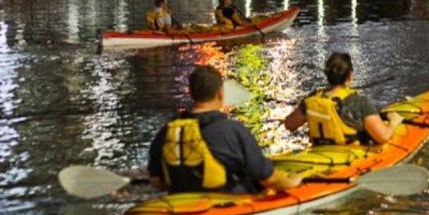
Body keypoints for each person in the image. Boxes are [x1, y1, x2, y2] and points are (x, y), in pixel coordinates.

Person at [148, 65, 302, 194]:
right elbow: (268, 178)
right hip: (227, 203)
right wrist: (295, 180)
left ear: (191, 94)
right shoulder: (232, 130)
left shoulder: (167, 131)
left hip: (179, 202)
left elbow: (156, 181)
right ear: (220, 93)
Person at [282, 52, 403, 145]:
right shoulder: (361, 103)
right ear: (350, 75)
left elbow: (289, 124)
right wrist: (393, 123)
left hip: (319, 155)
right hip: (351, 159)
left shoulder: (312, 99)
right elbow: (383, 137)